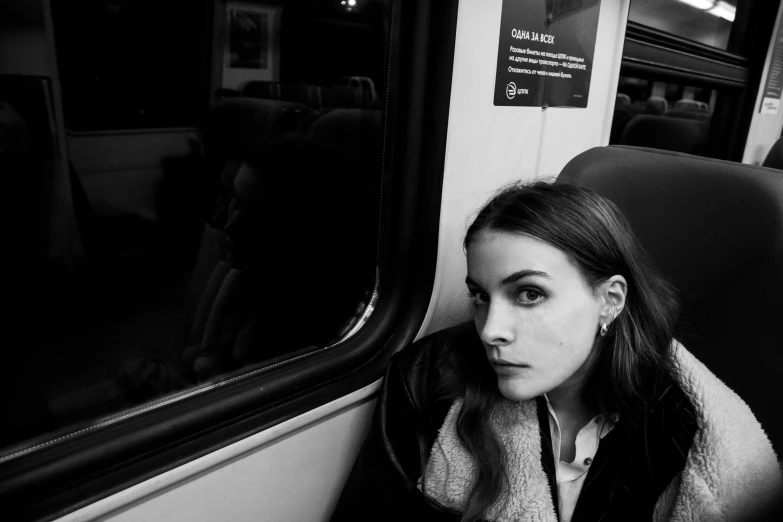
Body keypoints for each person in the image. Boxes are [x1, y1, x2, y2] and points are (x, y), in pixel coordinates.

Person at [330, 181, 783, 521]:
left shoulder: (684, 425)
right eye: (481, 296)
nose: (490, 331)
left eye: (529, 294)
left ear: (609, 300)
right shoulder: (427, 379)